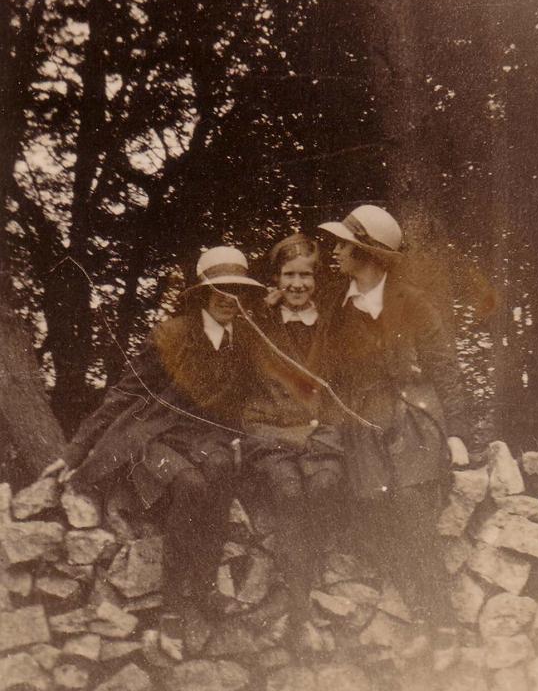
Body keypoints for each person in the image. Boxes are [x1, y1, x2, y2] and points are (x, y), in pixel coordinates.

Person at [41, 246, 263, 658]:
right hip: (151, 437)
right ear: (202, 292)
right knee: (192, 485)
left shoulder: (243, 341)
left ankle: (207, 587)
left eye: (237, 290)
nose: (229, 299)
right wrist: (74, 452)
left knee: (222, 468)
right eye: (220, 289)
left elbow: (245, 403)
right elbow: (123, 394)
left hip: (202, 438)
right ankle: (172, 613)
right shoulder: (171, 335)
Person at [312, 205, 469, 646]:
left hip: (412, 417)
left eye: (345, 244)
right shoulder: (335, 307)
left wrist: (457, 433)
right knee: (370, 511)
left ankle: (444, 623)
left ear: (368, 255)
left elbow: (445, 369)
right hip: (361, 423)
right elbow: (322, 373)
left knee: (413, 502)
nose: (336, 252)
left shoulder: (413, 303)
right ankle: (424, 613)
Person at [241, 233, 343, 649]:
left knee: (322, 486)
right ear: (275, 279)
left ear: (317, 279)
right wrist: (255, 310)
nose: (297, 284)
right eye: (288, 275)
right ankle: (301, 612)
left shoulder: (332, 323)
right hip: (271, 428)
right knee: (287, 489)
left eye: (306, 275)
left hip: (323, 429)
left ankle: (297, 601)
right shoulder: (258, 325)